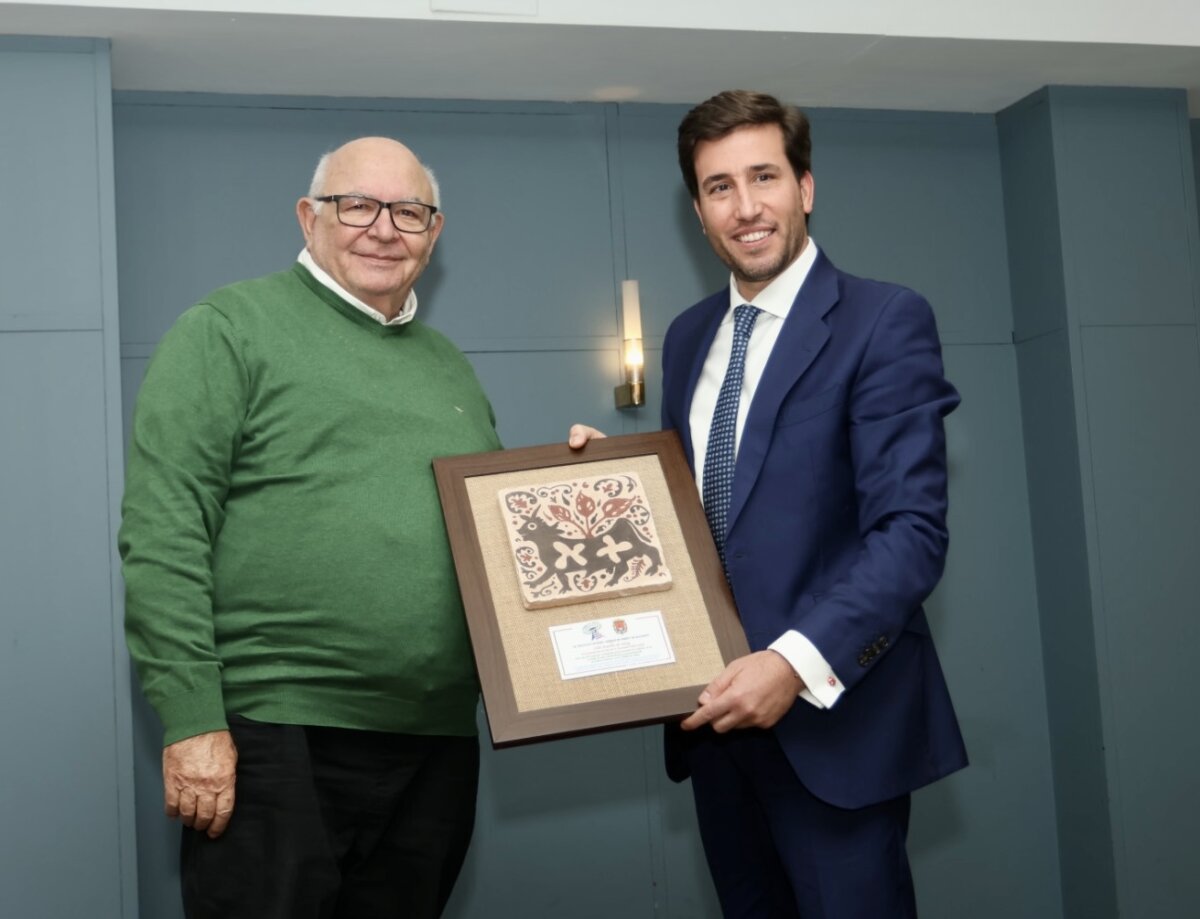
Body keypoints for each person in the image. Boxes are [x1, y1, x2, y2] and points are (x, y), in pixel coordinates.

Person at [570, 90, 967, 917]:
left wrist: (791, 663)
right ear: (698, 210)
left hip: (835, 728)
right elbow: (700, 513)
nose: (745, 207)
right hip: (714, 729)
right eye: (720, 187)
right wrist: (612, 484)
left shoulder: (882, 319)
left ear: (805, 187)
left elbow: (910, 535)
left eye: (764, 177)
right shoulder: (688, 337)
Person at [119, 136, 501, 919]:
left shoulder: (449, 366)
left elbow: (496, 538)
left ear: (434, 232)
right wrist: (192, 719)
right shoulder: (228, 328)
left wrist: (585, 481)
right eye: (356, 205)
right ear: (308, 217)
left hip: (434, 742)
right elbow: (164, 531)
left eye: (408, 211)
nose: (383, 229)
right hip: (275, 735)